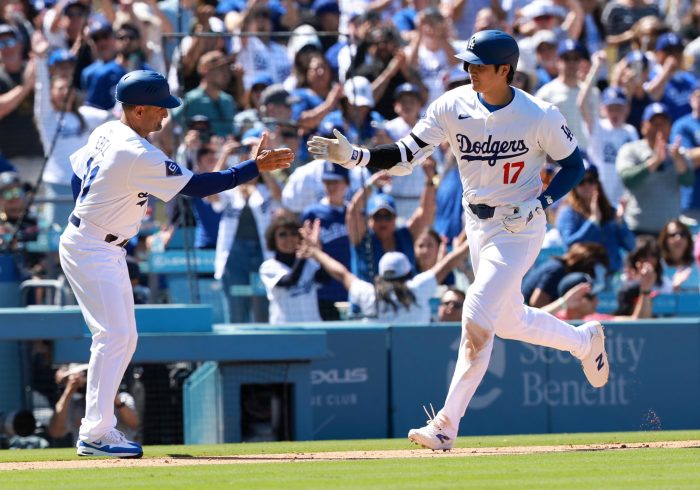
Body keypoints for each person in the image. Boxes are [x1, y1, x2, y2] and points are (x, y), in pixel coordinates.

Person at [308, 30, 610, 451]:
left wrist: (542, 201)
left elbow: (575, 166)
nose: (469, 71)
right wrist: (356, 156)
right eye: (466, 63)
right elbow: (407, 153)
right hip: (477, 223)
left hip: (520, 225)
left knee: (477, 314)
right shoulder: (452, 104)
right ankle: (583, 341)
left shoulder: (540, 113)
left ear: (506, 69)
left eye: (479, 65)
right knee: (508, 320)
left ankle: (446, 424)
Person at [58, 70, 292, 458]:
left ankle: (98, 430)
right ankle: (95, 432)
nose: (165, 117)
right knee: (114, 337)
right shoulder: (136, 151)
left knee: (123, 337)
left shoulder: (106, 131)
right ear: (137, 110)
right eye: (158, 109)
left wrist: (89, 206)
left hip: (99, 243)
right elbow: (199, 187)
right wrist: (254, 168)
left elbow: (76, 174)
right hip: (92, 246)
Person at [299, 219, 469, 324]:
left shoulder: (368, 294)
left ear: (380, 277)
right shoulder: (417, 289)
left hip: (376, 365)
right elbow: (448, 263)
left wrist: (316, 252)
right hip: (416, 362)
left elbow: (342, 274)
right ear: (408, 274)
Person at [616, 102, 694, 235]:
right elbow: (627, 179)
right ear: (643, 126)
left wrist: (678, 160)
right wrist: (655, 162)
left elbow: (688, 181)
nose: (659, 128)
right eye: (654, 123)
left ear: (670, 127)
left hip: (669, 233)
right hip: (637, 229)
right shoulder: (630, 150)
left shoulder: (677, 152)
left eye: (663, 123)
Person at [555, 160, 636, 273]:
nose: (587, 185)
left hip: (613, 278)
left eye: (591, 180)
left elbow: (631, 246)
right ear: (574, 185)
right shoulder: (568, 213)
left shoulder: (610, 211)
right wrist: (593, 222)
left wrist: (620, 223)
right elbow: (570, 245)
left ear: (597, 183)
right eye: (581, 181)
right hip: (583, 275)